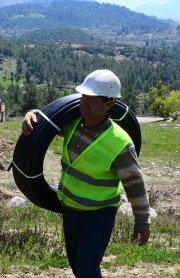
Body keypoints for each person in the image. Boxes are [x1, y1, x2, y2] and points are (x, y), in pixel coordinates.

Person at [21, 69, 151, 278]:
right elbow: (45, 123)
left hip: (99, 214)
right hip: (70, 210)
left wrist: (142, 222)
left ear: (109, 103)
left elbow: (135, 185)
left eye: (92, 99)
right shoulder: (73, 124)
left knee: (87, 268)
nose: (84, 102)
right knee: (76, 265)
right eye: (83, 96)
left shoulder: (119, 143)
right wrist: (32, 114)